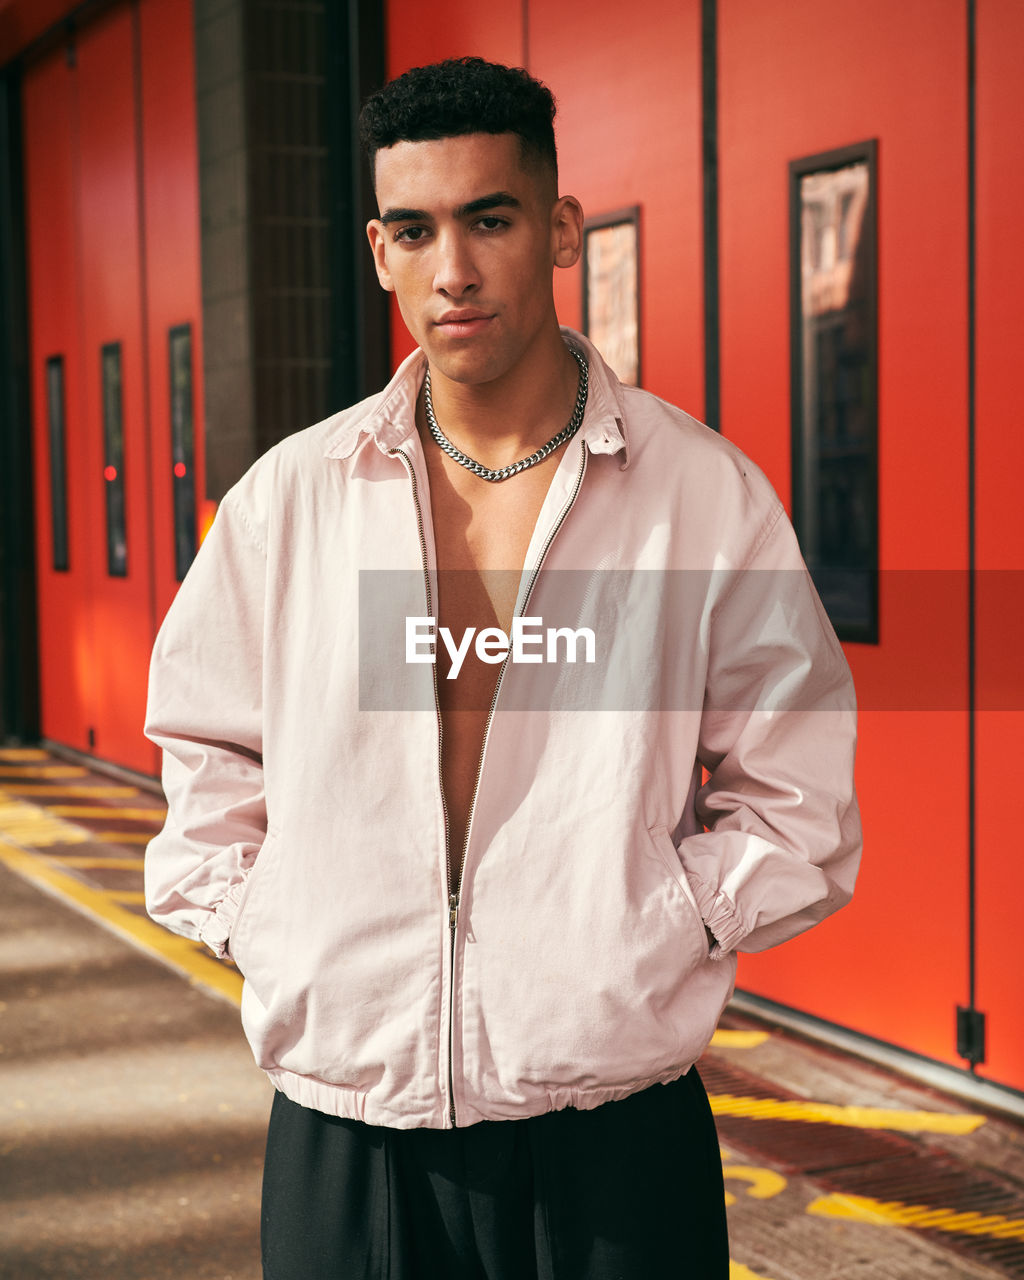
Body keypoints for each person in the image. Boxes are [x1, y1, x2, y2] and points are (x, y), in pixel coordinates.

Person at [145, 56, 861, 1280]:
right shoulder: (292, 500)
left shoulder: (700, 498)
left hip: (612, 1125)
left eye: (489, 218)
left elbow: (798, 788)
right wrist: (267, 921)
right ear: (377, 249)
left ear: (560, 227)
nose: (453, 270)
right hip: (348, 1116)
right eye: (415, 231)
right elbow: (205, 744)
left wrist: (658, 923)